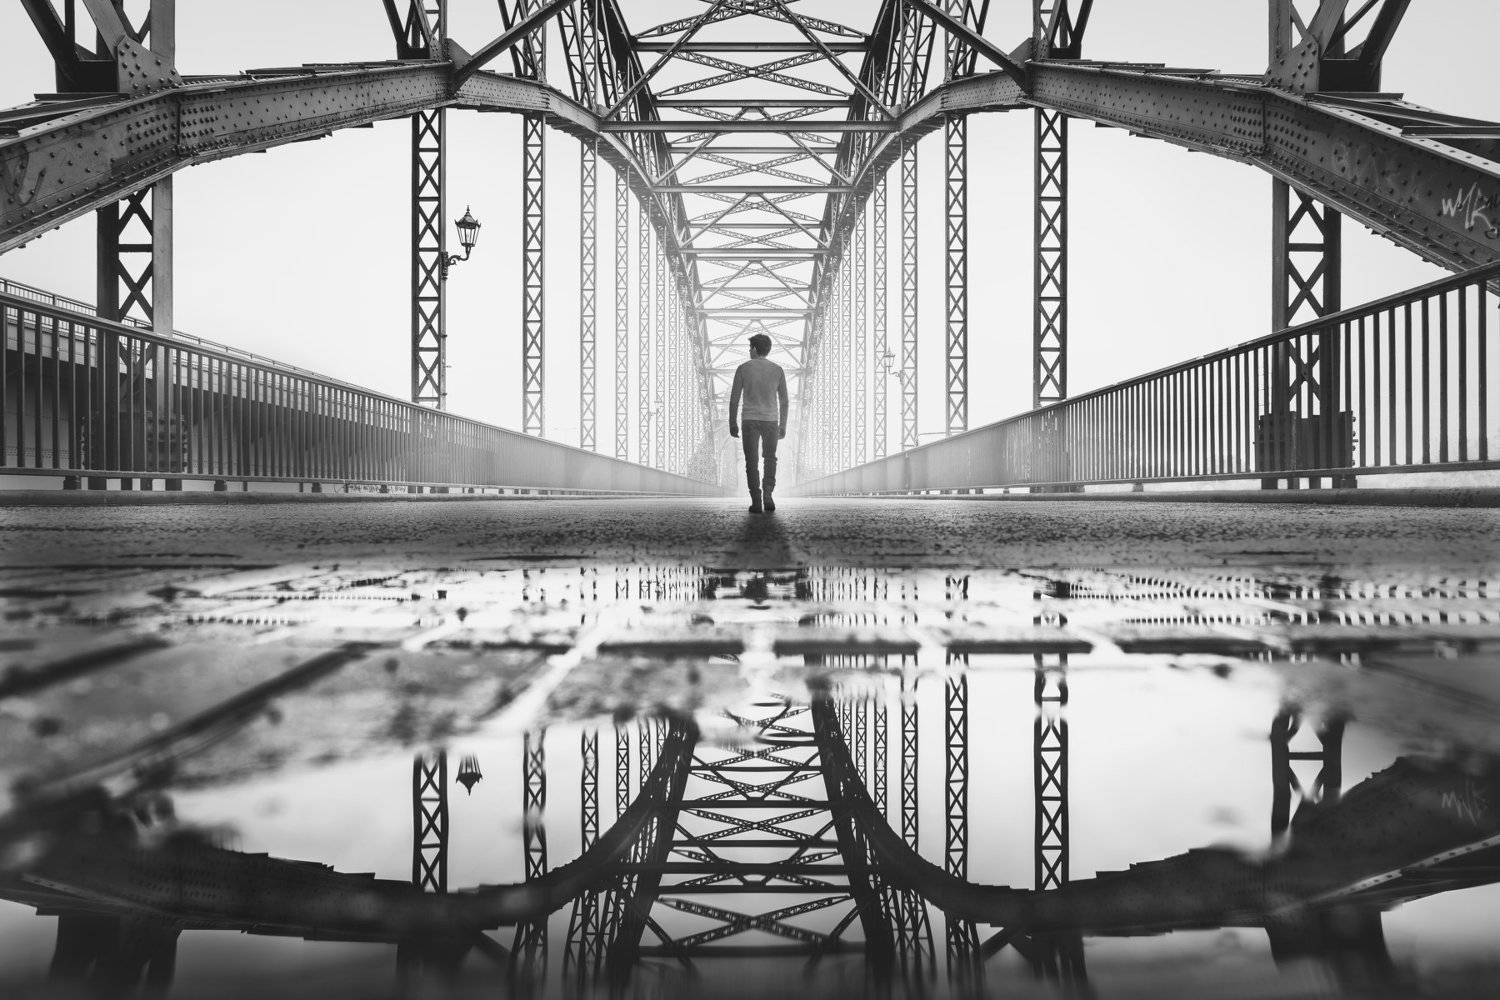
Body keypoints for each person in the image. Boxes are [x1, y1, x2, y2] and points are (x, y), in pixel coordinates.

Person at [728, 333, 788, 513]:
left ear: (754, 349)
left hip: (749, 420)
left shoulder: (742, 369)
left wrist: (732, 422)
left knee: (751, 461)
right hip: (771, 420)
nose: (749, 351)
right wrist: (783, 425)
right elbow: (784, 401)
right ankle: (768, 495)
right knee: (770, 458)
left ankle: (756, 500)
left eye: (749, 348)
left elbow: (734, 399)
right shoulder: (778, 370)